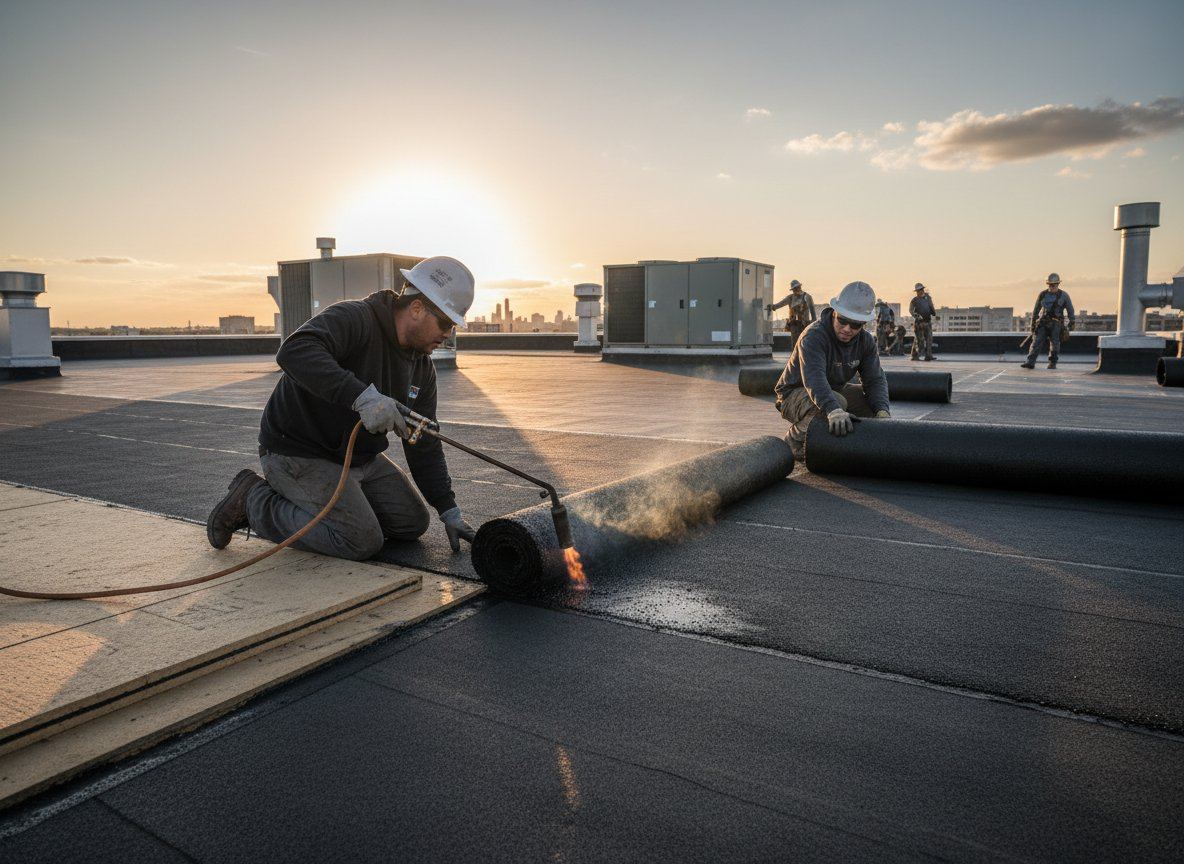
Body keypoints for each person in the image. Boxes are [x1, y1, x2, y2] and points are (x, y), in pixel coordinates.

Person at [205, 256, 478, 561]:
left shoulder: (421, 369)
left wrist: (448, 510)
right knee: (360, 541)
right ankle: (252, 501)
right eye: (446, 323)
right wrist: (362, 397)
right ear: (417, 309)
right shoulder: (356, 318)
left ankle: (338, 505)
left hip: (359, 459)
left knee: (412, 523)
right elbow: (295, 351)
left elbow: (422, 439)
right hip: (298, 452)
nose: (448, 334)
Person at [774, 281, 891, 460]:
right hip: (793, 394)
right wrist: (833, 409)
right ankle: (793, 441)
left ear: (863, 325)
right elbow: (814, 379)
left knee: (871, 405)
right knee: (837, 403)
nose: (847, 329)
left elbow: (874, 379)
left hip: (833, 389)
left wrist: (882, 411)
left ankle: (849, 444)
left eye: (855, 325)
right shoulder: (814, 336)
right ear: (834, 313)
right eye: (842, 321)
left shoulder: (865, 341)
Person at [1021, 273, 1075, 369]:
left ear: (1058, 284)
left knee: (1055, 344)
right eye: (1050, 284)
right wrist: (1033, 324)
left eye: (1053, 284)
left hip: (1056, 323)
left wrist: (1072, 322)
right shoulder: (1043, 294)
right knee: (1036, 342)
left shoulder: (1064, 295)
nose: (1051, 286)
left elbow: (1070, 310)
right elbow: (1036, 310)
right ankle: (1030, 362)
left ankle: (1052, 363)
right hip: (1043, 322)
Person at [767, 279, 816, 351]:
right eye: (794, 289)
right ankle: (795, 359)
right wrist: (773, 307)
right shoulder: (790, 298)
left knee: (804, 343)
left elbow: (812, 310)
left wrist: (813, 321)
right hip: (794, 325)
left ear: (800, 287)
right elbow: (780, 304)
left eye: (797, 287)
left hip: (804, 324)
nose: (796, 290)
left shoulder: (807, 297)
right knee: (795, 344)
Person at [909, 282, 935, 361]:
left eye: (921, 290)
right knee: (919, 340)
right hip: (919, 323)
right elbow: (911, 310)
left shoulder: (928, 297)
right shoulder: (914, 300)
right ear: (916, 291)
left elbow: (931, 306)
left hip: (927, 321)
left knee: (929, 339)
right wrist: (916, 316)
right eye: (918, 290)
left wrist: (933, 312)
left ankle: (928, 356)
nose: (920, 291)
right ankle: (915, 355)